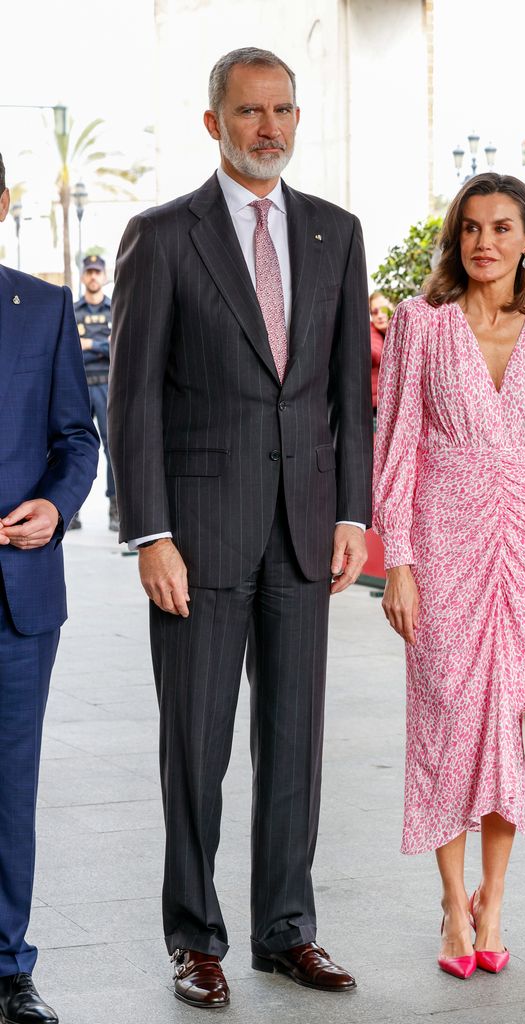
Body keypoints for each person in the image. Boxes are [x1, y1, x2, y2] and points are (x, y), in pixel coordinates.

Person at [108, 47, 372, 1009]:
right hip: (199, 534)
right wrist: (151, 534)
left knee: (294, 745)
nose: (270, 128)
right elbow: (131, 401)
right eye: (251, 112)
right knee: (197, 750)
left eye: (284, 111)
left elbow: (349, 392)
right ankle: (196, 939)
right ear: (212, 122)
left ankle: (285, 932)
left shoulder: (334, 234)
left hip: (305, 531)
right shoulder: (163, 236)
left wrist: (352, 511)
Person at [373, 172, 525, 979]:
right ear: (455, 239)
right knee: (442, 721)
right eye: (471, 228)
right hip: (440, 544)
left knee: (511, 732)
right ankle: (449, 904)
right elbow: (395, 448)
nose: (485, 243)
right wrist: (396, 559)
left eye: (503, 227)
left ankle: (493, 904)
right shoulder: (419, 327)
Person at [0, 153, 99, 1024]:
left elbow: (78, 436)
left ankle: (6, 967)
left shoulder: (43, 308)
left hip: (17, 592)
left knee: (8, 785)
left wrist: (55, 504)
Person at [71, 254, 117, 531]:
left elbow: (119, 345)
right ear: (83, 276)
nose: (92, 276)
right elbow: (71, 345)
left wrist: (89, 344)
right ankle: (71, 510)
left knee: (113, 448)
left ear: (104, 275)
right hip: (80, 385)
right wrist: (102, 344)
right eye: (88, 272)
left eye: (97, 272)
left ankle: (115, 507)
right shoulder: (72, 310)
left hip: (108, 385)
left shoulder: (115, 308)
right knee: (72, 447)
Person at [369, 290, 393, 413]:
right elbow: (375, 352)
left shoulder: (403, 329)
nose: (379, 315)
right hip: (376, 408)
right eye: (374, 312)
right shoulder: (371, 331)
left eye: (383, 309)